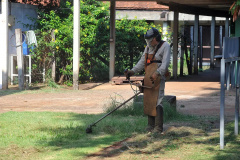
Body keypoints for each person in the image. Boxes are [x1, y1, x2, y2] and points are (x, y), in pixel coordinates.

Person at [125, 27, 171, 133]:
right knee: (149, 100)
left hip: (159, 77)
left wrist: (158, 73)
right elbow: (142, 62)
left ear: (156, 38)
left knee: (158, 100)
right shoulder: (148, 48)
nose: (149, 42)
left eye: (150, 40)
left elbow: (165, 64)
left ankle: (158, 127)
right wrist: (132, 71)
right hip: (148, 77)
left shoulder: (165, 46)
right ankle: (150, 126)